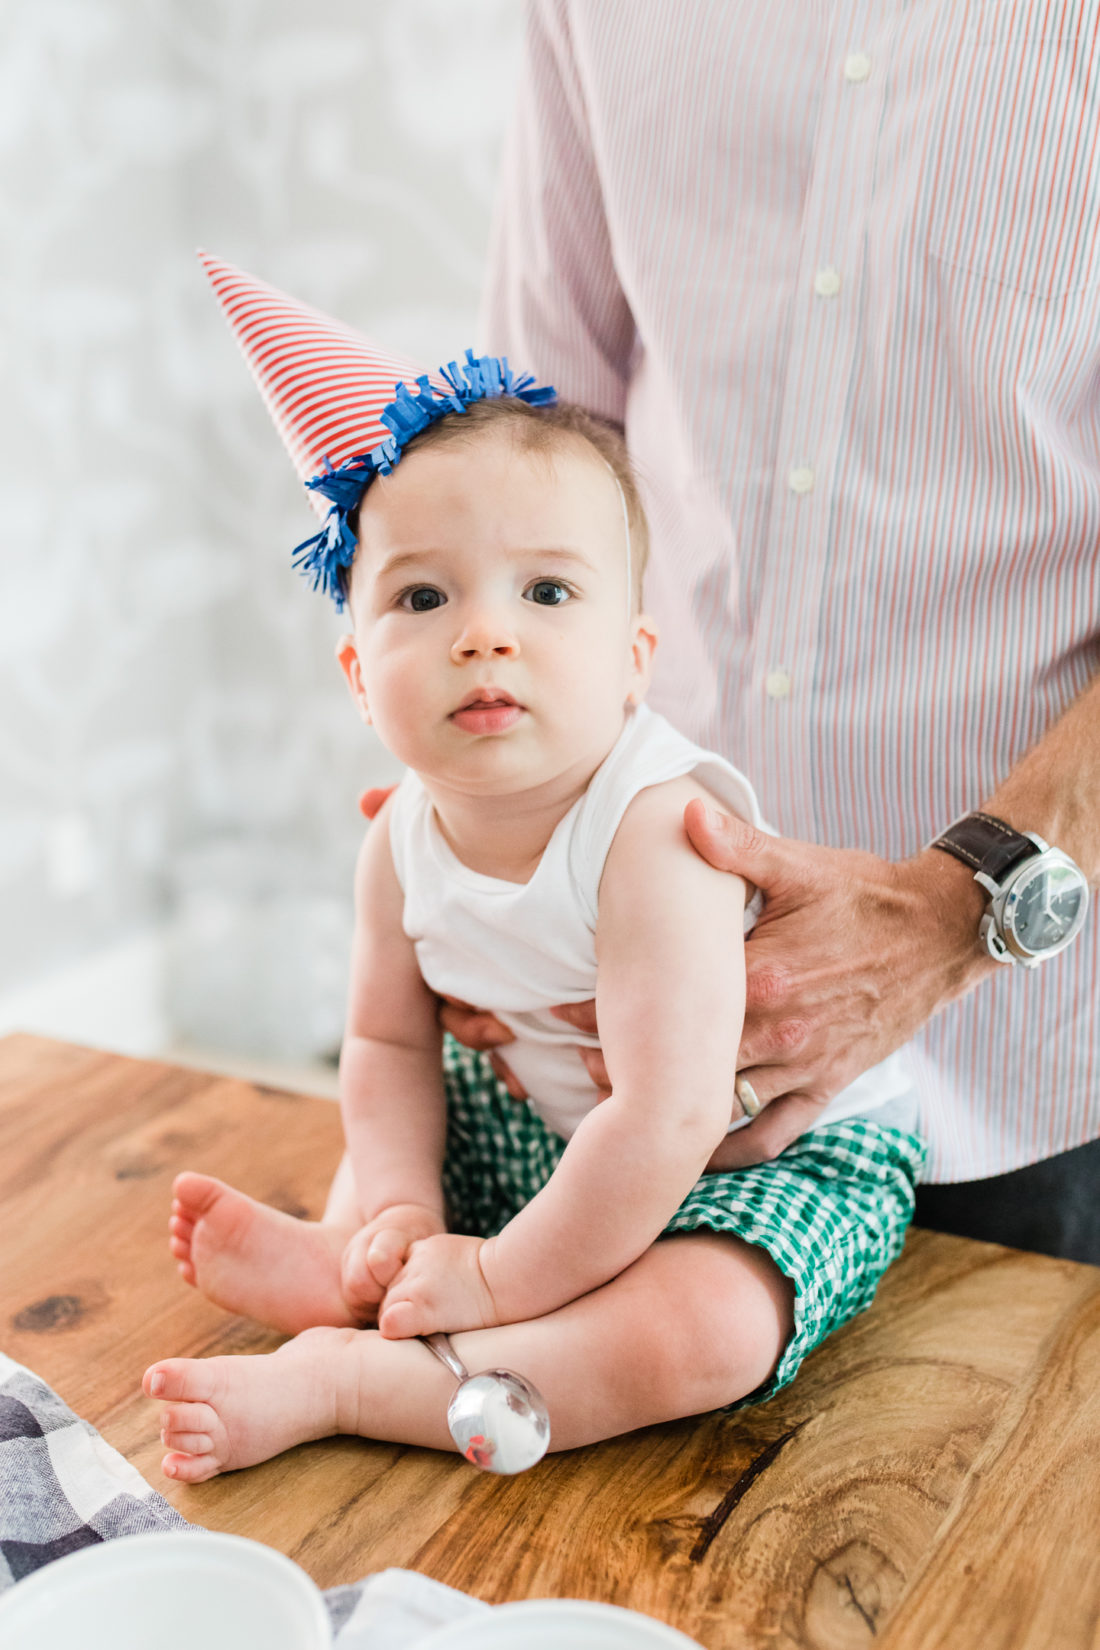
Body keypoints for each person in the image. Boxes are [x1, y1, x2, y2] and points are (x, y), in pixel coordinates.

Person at [142, 256, 924, 1481]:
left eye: (547, 590)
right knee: (413, 1115)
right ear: (357, 677)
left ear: (633, 661)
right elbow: (389, 1049)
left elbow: (668, 1115)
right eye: (422, 595)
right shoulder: (395, 842)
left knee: (700, 1332)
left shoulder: (655, 832)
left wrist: (500, 1274)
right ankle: (355, 1254)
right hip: (558, 1135)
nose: (484, 631)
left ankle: (364, 1377)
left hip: (747, 1154)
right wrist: (402, 1203)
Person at [463, 0, 1100, 1262]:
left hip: (1035, 1065)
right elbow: (537, 442)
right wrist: (481, 833)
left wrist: (950, 914)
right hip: (621, 1024)